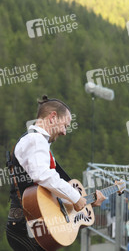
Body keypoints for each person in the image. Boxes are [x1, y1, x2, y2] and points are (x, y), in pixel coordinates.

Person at [5, 95, 106, 250]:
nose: (65, 132)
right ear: (52, 117)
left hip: (32, 224)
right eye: (64, 125)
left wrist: (88, 202)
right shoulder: (35, 140)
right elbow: (44, 176)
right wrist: (75, 196)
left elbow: (52, 196)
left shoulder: (39, 143)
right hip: (26, 226)